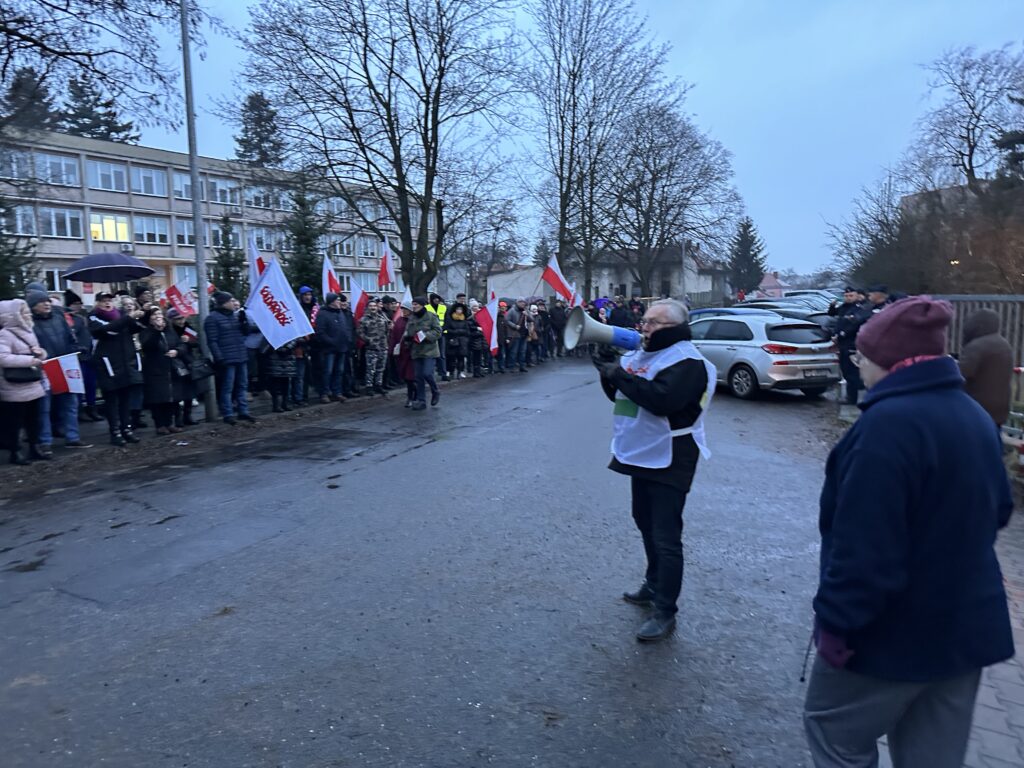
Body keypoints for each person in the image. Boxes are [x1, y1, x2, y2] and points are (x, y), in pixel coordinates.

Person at [803, 296, 1015, 768]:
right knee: (932, 756)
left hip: (890, 634)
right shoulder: (975, 417)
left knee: (834, 733)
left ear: (886, 361)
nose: (859, 368)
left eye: (862, 357)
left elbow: (864, 553)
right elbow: (1000, 510)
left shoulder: (885, 428)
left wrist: (837, 625)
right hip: (965, 630)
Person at [593, 298, 715, 642]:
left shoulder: (688, 361)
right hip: (641, 450)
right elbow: (621, 393)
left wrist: (617, 373)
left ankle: (665, 610)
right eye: (643, 321)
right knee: (643, 520)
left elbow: (662, 400)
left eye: (651, 322)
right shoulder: (644, 355)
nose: (642, 327)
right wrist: (605, 371)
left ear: (673, 327)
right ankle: (653, 583)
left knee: (665, 535)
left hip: (671, 453)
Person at [26, 288, 88, 453]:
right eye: (41, 302)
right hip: (45, 367)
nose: (46, 304)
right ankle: (45, 440)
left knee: (71, 403)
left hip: (66, 363)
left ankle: (72, 437)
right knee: (44, 407)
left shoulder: (59, 317)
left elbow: (69, 337)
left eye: (47, 301)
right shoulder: (29, 324)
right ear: (33, 306)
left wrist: (77, 348)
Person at [89, 292, 146, 445]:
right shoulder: (93, 317)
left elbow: (135, 328)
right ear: (97, 303)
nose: (107, 303)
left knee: (125, 399)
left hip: (125, 363)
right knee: (112, 401)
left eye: (109, 300)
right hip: (108, 366)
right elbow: (108, 330)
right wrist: (128, 318)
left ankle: (126, 429)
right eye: (103, 301)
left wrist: (145, 313)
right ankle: (115, 432)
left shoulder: (121, 314)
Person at [0, 299, 49, 464]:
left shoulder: (29, 331)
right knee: (15, 421)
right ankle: (15, 452)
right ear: (12, 315)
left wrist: (41, 353)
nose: (28, 315)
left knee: (34, 419)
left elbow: (38, 353)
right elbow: (3, 358)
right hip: (14, 385)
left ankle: (34, 448)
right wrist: (29, 360)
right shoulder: (5, 333)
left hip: (32, 382)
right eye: (23, 312)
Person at [204, 291, 256, 425]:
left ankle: (243, 411)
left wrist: (244, 321)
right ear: (224, 303)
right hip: (227, 358)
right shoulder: (212, 318)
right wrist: (219, 358)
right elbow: (212, 341)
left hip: (240, 355)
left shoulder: (235, 316)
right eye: (231, 301)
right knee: (227, 387)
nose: (234, 303)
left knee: (242, 385)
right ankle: (227, 413)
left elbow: (245, 332)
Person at [959, 309, 1014, 426]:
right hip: (1001, 407)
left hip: (978, 406)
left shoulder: (976, 346)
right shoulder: (1005, 344)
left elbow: (961, 374)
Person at [139, 308, 184, 435]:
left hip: (171, 368)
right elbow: (148, 346)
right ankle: (160, 424)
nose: (158, 317)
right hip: (155, 369)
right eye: (154, 315)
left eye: (159, 314)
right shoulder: (146, 332)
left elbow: (179, 344)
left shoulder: (170, 331)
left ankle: (170, 423)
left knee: (170, 397)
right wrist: (157, 330)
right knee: (158, 398)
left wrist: (177, 351)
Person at [64, 289, 103, 422]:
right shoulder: (68, 319)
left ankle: (92, 408)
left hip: (89, 356)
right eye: (75, 303)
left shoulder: (84, 317)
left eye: (79, 303)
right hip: (77, 358)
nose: (78, 306)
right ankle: (80, 411)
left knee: (90, 384)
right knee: (79, 386)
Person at [832, 287, 872, 405]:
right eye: (846, 296)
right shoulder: (843, 308)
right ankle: (852, 397)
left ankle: (854, 398)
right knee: (846, 371)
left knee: (852, 372)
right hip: (842, 344)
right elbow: (839, 322)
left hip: (852, 343)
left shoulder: (859, 309)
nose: (848, 298)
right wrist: (836, 335)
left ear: (856, 296)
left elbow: (854, 326)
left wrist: (840, 335)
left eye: (851, 296)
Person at [405, 295, 442, 410]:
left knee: (427, 373)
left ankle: (435, 391)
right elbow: (408, 332)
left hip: (429, 351)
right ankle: (421, 401)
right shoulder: (412, 318)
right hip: (416, 351)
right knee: (418, 377)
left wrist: (425, 336)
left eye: (416, 304)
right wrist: (408, 338)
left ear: (422, 305)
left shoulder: (431, 316)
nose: (414, 306)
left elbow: (437, 331)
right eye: (413, 304)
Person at [315, 292, 350, 404]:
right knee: (327, 371)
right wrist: (331, 341)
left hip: (342, 348)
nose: (340, 302)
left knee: (339, 371)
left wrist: (347, 340)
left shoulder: (340, 313)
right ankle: (325, 393)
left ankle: (337, 392)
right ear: (332, 302)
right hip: (329, 349)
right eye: (337, 300)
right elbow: (320, 332)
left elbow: (345, 329)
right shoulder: (322, 314)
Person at [166, 309, 200, 427]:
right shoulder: (169, 330)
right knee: (177, 392)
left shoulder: (187, 327)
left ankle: (187, 415)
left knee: (189, 391)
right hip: (176, 363)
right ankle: (178, 418)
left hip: (188, 362)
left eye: (182, 318)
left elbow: (196, 341)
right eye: (178, 319)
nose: (181, 321)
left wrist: (189, 341)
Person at [358, 298, 392, 396]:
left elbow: (387, 331)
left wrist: (385, 342)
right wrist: (369, 340)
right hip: (371, 348)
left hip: (383, 347)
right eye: (371, 306)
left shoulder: (382, 318)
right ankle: (369, 387)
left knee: (380, 369)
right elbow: (360, 333)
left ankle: (379, 385)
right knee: (370, 369)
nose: (373, 308)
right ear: (368, 308)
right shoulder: (363, 320)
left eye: (374, 306)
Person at [292, 286, 318, 407]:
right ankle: (298, 397)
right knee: (299, 374)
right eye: (305, 295)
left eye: (309, 295)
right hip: (300, 346)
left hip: (312, 345)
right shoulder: (297, 310)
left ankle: (305, 396)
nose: (308, 297)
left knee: (307, 374)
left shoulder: (314, 309)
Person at [390, 301, 416, 406]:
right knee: (405, 376)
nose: (404, 311)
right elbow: (394, 336)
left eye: (406, 309)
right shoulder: (399, 321)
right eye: (403, 309)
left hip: (412, 352)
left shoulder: (414, 321)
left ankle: (412, 397)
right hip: (401, 353)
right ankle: (413, 395)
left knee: (411, 376)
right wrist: (391, 349)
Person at [262, 339, 297, 412]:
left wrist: (286, 348)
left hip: (287, 362)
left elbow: (294, 341)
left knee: (285, 384)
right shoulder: (270, 336)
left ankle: (284, 404)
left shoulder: (289, 335)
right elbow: (263, 349)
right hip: (275, 362)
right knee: (276, 385)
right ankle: (277, 405)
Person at [444, 301, 470, 379]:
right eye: (458, 309)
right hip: (452, 340)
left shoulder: (464, 320)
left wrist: (460, 333)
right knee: (451, 357)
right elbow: (447, 329)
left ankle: (461, 371)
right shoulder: (450, 319)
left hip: (462, 341)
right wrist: (457, 332)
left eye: (460, 309)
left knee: (461, 357)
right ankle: (449, 371)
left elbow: (467, 331)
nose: (459, 311)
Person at [427, 293, 449, 381]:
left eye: (438, 298)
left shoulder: (443, 308)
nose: (436, 300)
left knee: (442, 355)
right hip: (432, 334)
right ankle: (431, 375)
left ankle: (443, 373)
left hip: (442, 333)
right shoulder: (427, 308)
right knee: (431, 355)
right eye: (435, 298)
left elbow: (447, 320)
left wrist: (443, 329)